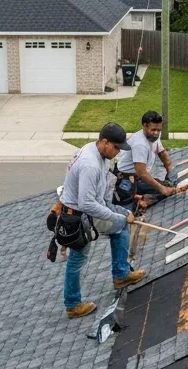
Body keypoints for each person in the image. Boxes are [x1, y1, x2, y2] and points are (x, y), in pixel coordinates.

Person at [60, 123, 146, 319]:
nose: (117, 152)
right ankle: (73, 304)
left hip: (83, 212)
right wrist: (117, 216)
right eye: (116, 147)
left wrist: (120, 210)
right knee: (78, 258)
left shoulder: (97, 153)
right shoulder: (90, 164)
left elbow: (101, 197)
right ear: (105, 142)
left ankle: (121, 274)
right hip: (77, 217)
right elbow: (86, 203)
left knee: (120, 225)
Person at [114, 110, 181, 204]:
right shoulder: (140, 145)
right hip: (128, 181)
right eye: (153, 130)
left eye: (159, 130)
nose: (156, 133)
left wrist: (171, 175)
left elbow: (162, 154)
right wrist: (163, 189)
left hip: (139, 177)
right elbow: (142, 174)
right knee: (163, 192)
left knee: (169, 187)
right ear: (144, 126)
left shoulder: (153, 136)